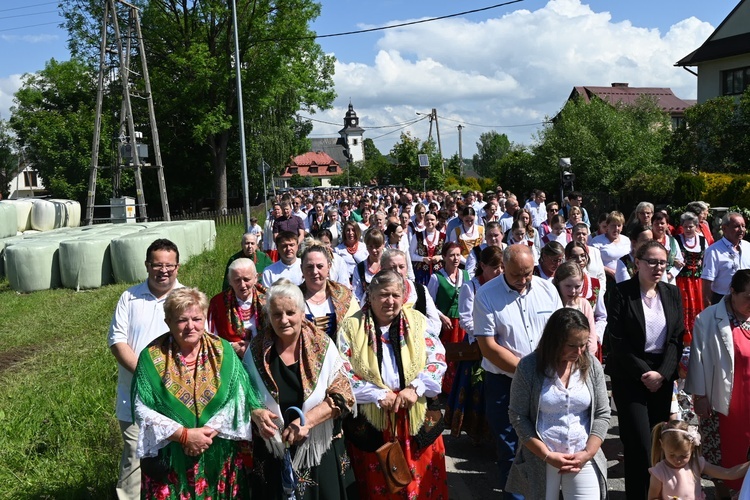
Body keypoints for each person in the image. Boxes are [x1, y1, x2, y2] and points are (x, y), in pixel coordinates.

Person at [131, 287, 262, 499]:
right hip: (171, 458)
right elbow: (142, 407)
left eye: (197, 319)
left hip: (217, 452)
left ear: (205, 320)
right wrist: (184, 436)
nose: (190, 326)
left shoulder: (223, 351)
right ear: (168, 322)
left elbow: (238, 397)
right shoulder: (151, 357)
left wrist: (206, 434)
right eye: (182, 320)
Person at [338, 270, 449, 500]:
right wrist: (376, 394)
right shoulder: (351, 327)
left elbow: (436, 359)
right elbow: (341, 371)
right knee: (380, 486)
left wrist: (416, 387)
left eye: (395, 295)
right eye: (383, 295)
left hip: (415, 417)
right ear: (370, 296)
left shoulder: (419, 323)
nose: (390, 301)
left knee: (423, 484)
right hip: (374, 419)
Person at [244, 279, 357, 499]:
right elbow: (243, 393)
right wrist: (256, 413)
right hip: (273, 453)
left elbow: (343, 394)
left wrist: (306, 422)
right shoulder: (257, 349)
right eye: (276, 314)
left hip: (317, 451)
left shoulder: (322, 345)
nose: (284, 320)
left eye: (290, 312)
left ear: (302, 312)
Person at [473, 245, 563, 499]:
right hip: (504, 384)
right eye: (516, 275)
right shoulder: (487, 295)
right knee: (511, 451)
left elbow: (559, 332)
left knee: (548, 445)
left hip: (547, 380)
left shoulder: (547, 290)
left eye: (528, 273)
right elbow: (489, 347)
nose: (523, 280)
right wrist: (527, 372)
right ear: (503, 267)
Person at [606, 240, 685, 498]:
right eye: (651, 261)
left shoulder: (671, 293)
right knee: (639, 443)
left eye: (662, 262)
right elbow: (617, 340)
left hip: (661, 374)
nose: (658, 267)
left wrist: (662, 373)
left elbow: (676, 337)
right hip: (630, 374)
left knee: (659, 444)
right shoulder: (621, 292)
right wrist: (644, 373)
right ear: (637, 263)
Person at [506, 308, 610, 500]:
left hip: (582, 454)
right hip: (541, 458)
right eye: (572, 345)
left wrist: (588, 452)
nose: (579, 352)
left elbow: (603, 413)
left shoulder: (592, 365)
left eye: (583, 345)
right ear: (555, 341)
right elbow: (518, 416)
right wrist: (546, 455)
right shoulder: (528, 367)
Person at [108, 238, 183, 500]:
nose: (163, 270)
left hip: (176, 399)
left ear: (177, 266)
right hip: (134, 397)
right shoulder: (129, 297)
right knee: (134, 460)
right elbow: (117, 342)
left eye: (169, 265)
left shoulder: (186, 298)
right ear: (147, 265)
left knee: (175, 460)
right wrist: (146, 375)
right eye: (157, 265)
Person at [687, 269, 750, 493]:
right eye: (748, 298)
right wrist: (700, 396)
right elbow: (697, 360)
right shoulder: (708, 318)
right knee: (722, 454)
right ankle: (724, 493)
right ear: (732, 292)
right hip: (723, 398)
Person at [448, 246, 504, 441]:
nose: (499, 271)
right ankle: (475, 432)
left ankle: (493, 432)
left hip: (500, 343)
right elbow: (465, 318)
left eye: (502, 267)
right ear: (482, 265)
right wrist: (484, 335)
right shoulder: (470, 287)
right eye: (495, 267)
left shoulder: (502, 286)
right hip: (477, 345)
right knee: (475, 389)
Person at [648, 420, 749, 500]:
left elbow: (728, 474)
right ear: (662, 445)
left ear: (692, 448)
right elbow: (653, 497)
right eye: (671, 455)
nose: (677, 460)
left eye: (684, 456)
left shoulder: (696, 463)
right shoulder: (659, 472)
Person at [427, 242, 470, 394]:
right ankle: (446, 388)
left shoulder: (465, 275)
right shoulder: (436, 277)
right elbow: (429, 302)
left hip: (462, 322)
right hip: (446, 324)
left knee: (463, 353)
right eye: (451, 255)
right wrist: (442, 316)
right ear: (444, 257)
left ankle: (461, 386)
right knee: (447, 354)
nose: (455, 258)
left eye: (458, 255)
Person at [208, 258, 266, 358]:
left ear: (256, 278)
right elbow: (210, 338)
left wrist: (254, 346)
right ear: (229, 280)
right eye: (237, 280)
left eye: (247, 279)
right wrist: (231, 347)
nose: (242, 285)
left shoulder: (269, 300)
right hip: (231, 357)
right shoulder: (217, 303)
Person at [565, 241, 607, 358]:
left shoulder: (594, 283)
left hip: (590, 341)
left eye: (583, 255)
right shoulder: (560, 283)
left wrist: (596, 335)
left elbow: (601, 315)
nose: (580, 259)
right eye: (574, 256)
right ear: (567, 258)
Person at [702, 212, 750, 307]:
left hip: (746, 301)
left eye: (743, 226)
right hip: (723, 301)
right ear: (724, 228)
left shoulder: (748, 246)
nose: (741, 230)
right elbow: (707, 284)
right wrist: (709, 311)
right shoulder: (713, 251)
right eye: (736, 226)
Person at [676, 212, 707, 344]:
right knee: (684, 306)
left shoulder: (702, 240)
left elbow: (707, 258)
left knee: (699, 305)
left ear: (696, 226)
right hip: (683, 280)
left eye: (691, 226)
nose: (688, 229)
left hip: (698, 281)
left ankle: (698, 336)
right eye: (686, 226)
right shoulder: (677, 240)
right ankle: (685, 337)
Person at [591, 210, 631, 283]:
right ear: (607, 225)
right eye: (613, 225)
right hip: (605, 279)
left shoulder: (627, 240)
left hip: (625, 279)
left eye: (619, 225)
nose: (616, 228)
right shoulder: (596, 241)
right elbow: (592, 262)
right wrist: (610, 271)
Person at [410, 212, 445, 286]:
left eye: (432, 219)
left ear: (437, 221)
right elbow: (411, 255)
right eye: (427, 220)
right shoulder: (417, 235)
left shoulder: (443, 236)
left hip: (439, 272)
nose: (429, 222)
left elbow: (448, 254)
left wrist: (440, 257)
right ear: (424, 221)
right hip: (422, 273)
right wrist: (423, 259)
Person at [352, 228, 386, 305]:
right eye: (370, 246)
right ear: (366, 246)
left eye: (377, 246)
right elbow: (357, 294)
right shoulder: (360, 268)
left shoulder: (388, 265)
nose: (374, 250)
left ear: (383, 245)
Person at [651, 212, 684, 285]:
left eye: (662, 223)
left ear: (667, 225)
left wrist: (670, 275)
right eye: (656, 224)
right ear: (652, 225)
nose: (659, 226)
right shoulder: (648, 240)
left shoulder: (672, 241)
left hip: (669, 280)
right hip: (650, 278)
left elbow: (680, 260)